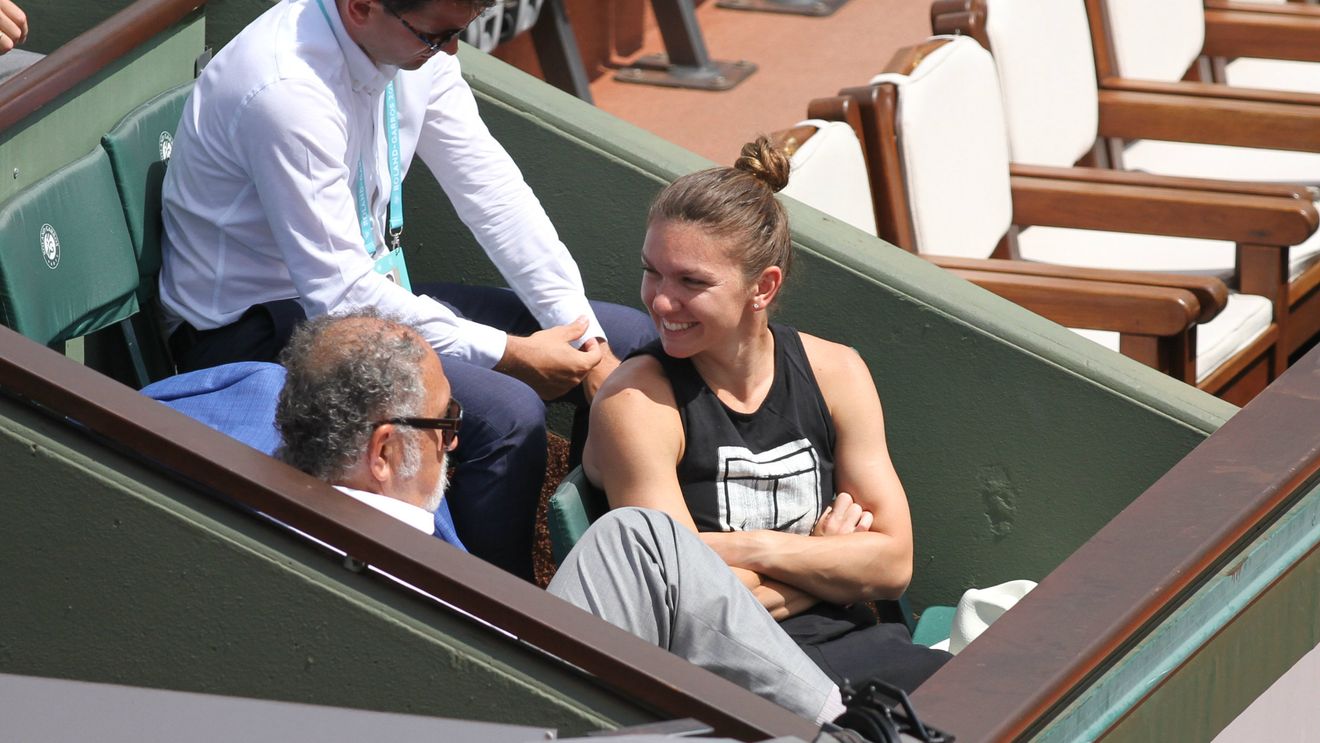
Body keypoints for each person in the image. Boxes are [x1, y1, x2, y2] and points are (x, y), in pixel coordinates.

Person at [159, 0, 655, 579]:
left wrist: (584, 337)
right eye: (437, 35)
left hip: (368, 292)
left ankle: (625, 574)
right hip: (255, 331)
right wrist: (511, 355)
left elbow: (492, 193)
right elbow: (339, 297)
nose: (450, 50)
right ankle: (508, 618)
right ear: (362, 7)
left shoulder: (413, 46)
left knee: (629, 339)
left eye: (458, 33)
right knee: (505, 414)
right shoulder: (285, 90)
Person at [273, 310, 846, 725]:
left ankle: (845, 727)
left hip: (507, 682)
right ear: (383, 454)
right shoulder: (369, 556)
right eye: (445, 422)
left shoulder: (277, 503)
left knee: (637, 539)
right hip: (513, 710)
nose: (454, 441)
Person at [584, 137, 951, 693]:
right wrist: (833, 566)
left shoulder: (836, 373)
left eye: (691, 282)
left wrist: (751, 549)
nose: (659, 301)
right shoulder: (636, 403)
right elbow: (686, 605)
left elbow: (894, 564)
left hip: (870, 649)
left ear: (763, 287)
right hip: (745, 681)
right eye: (652, 272)